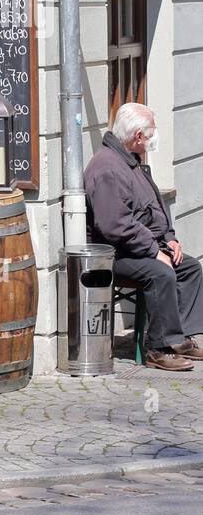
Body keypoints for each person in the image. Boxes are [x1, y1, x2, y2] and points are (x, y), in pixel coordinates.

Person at [85, 102, 203, 371]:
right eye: (151, 133)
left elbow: (154, 207)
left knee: (189, 267)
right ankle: (158, 348)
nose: (154, 138)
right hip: (114, 254)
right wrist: (153, 250)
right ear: (138, 136)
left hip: (136, 246)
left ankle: (180, 338)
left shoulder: (130, 160)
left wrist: (169, 239)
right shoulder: (108, 168)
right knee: (161, 273)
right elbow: (114, 226)